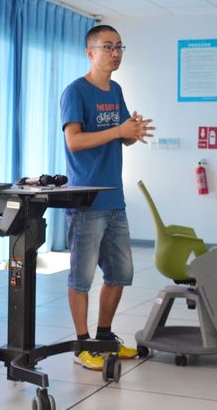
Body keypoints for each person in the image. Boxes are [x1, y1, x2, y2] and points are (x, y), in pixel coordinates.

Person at [59, 24, 155, 371]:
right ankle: (82, 344)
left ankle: (103, 337)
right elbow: (75, 141)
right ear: (90, 52)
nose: (116, 53)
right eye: (108, 47)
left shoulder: (115, 90)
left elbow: (120, 136)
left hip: (115, 200)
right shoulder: (76, 92)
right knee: (81, 278)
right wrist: (118, 130)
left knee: (120, 273)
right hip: (86, 201)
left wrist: (132, 133)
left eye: (119, 47)